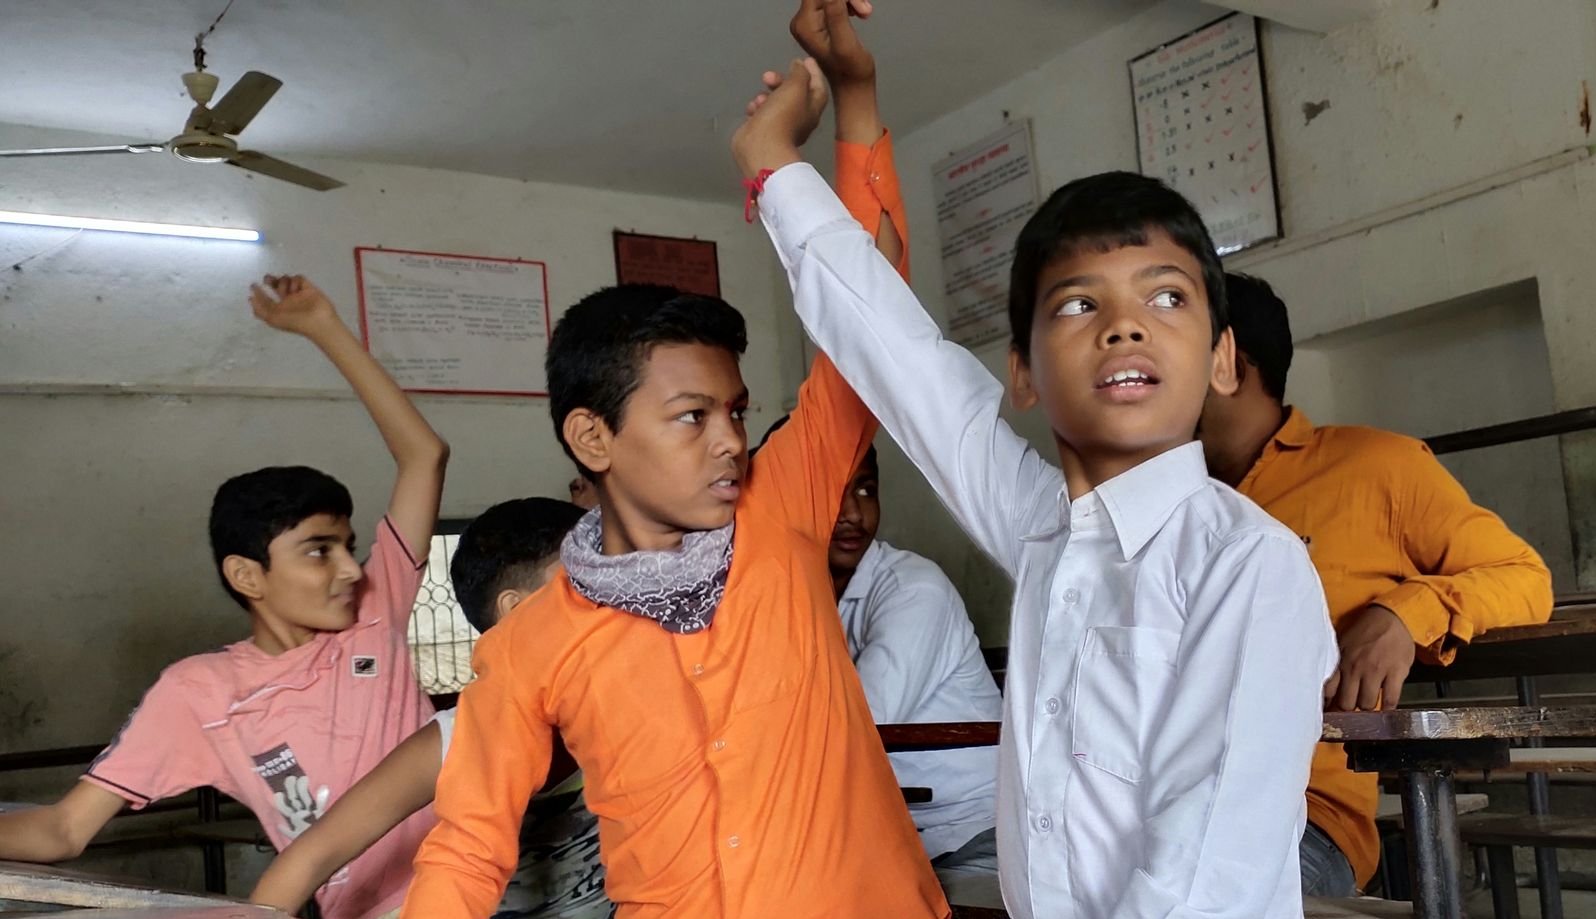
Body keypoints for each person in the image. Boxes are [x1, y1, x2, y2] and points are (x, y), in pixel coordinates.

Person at [734, 43, 1338, 917]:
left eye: (1166, 297)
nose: (1126, 326)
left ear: (1221, 358)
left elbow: (1206, 879)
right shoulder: (1048, 530)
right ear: (1022, 374)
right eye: (1079, 304)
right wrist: (775, 168)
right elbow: (907, 368)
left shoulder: (1249, 568)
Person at [402, 7, 945, 917]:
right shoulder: (531, 645)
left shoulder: (786, 512)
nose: (732, 439)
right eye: (691, 417)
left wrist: (856, 91)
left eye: (734, 411)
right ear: (593, 440)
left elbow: (871, 310)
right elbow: (465, 845)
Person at [0, 275, 449, 919]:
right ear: (247, 576)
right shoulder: (200, 694)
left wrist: (325, 328)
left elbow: (424, 455)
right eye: (320, 550)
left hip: (475, 889)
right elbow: (63, 831)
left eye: (350, 545)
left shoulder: (373, 616)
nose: (352, 569)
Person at [1197, 271, 1554, 895]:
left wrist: (1407, 610)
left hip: (1298, 818)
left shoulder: (1375, 468)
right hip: (1143, 805)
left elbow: (1526, 579)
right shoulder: (1162, 501)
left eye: (1164, 350)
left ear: (1227, 363)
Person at [251, 497, 610, 919]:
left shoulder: (640, 711)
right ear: (519, 611)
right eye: (588, 587)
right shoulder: (456, 741)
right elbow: (308, 860)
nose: (618, 604)